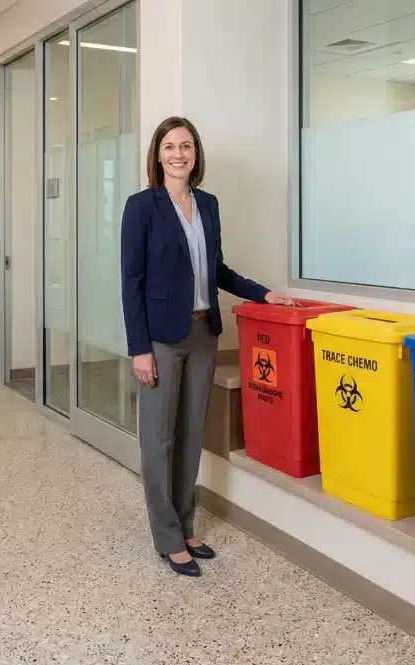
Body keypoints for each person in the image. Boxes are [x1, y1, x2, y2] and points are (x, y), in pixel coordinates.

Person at [120, 116, 293, 578]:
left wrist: (263, 294)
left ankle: (186, 526)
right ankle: (167, 536)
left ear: (196, 154)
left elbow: (217, 270)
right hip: (159, 337)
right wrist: (139, 348)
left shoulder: (208, 205)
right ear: (157, 155)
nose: (179, 154)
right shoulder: (142, 207)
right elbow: (130, 284)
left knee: (192, 435)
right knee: (159, 439)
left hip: (203, 333)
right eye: (170, 146)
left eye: (187, 146)